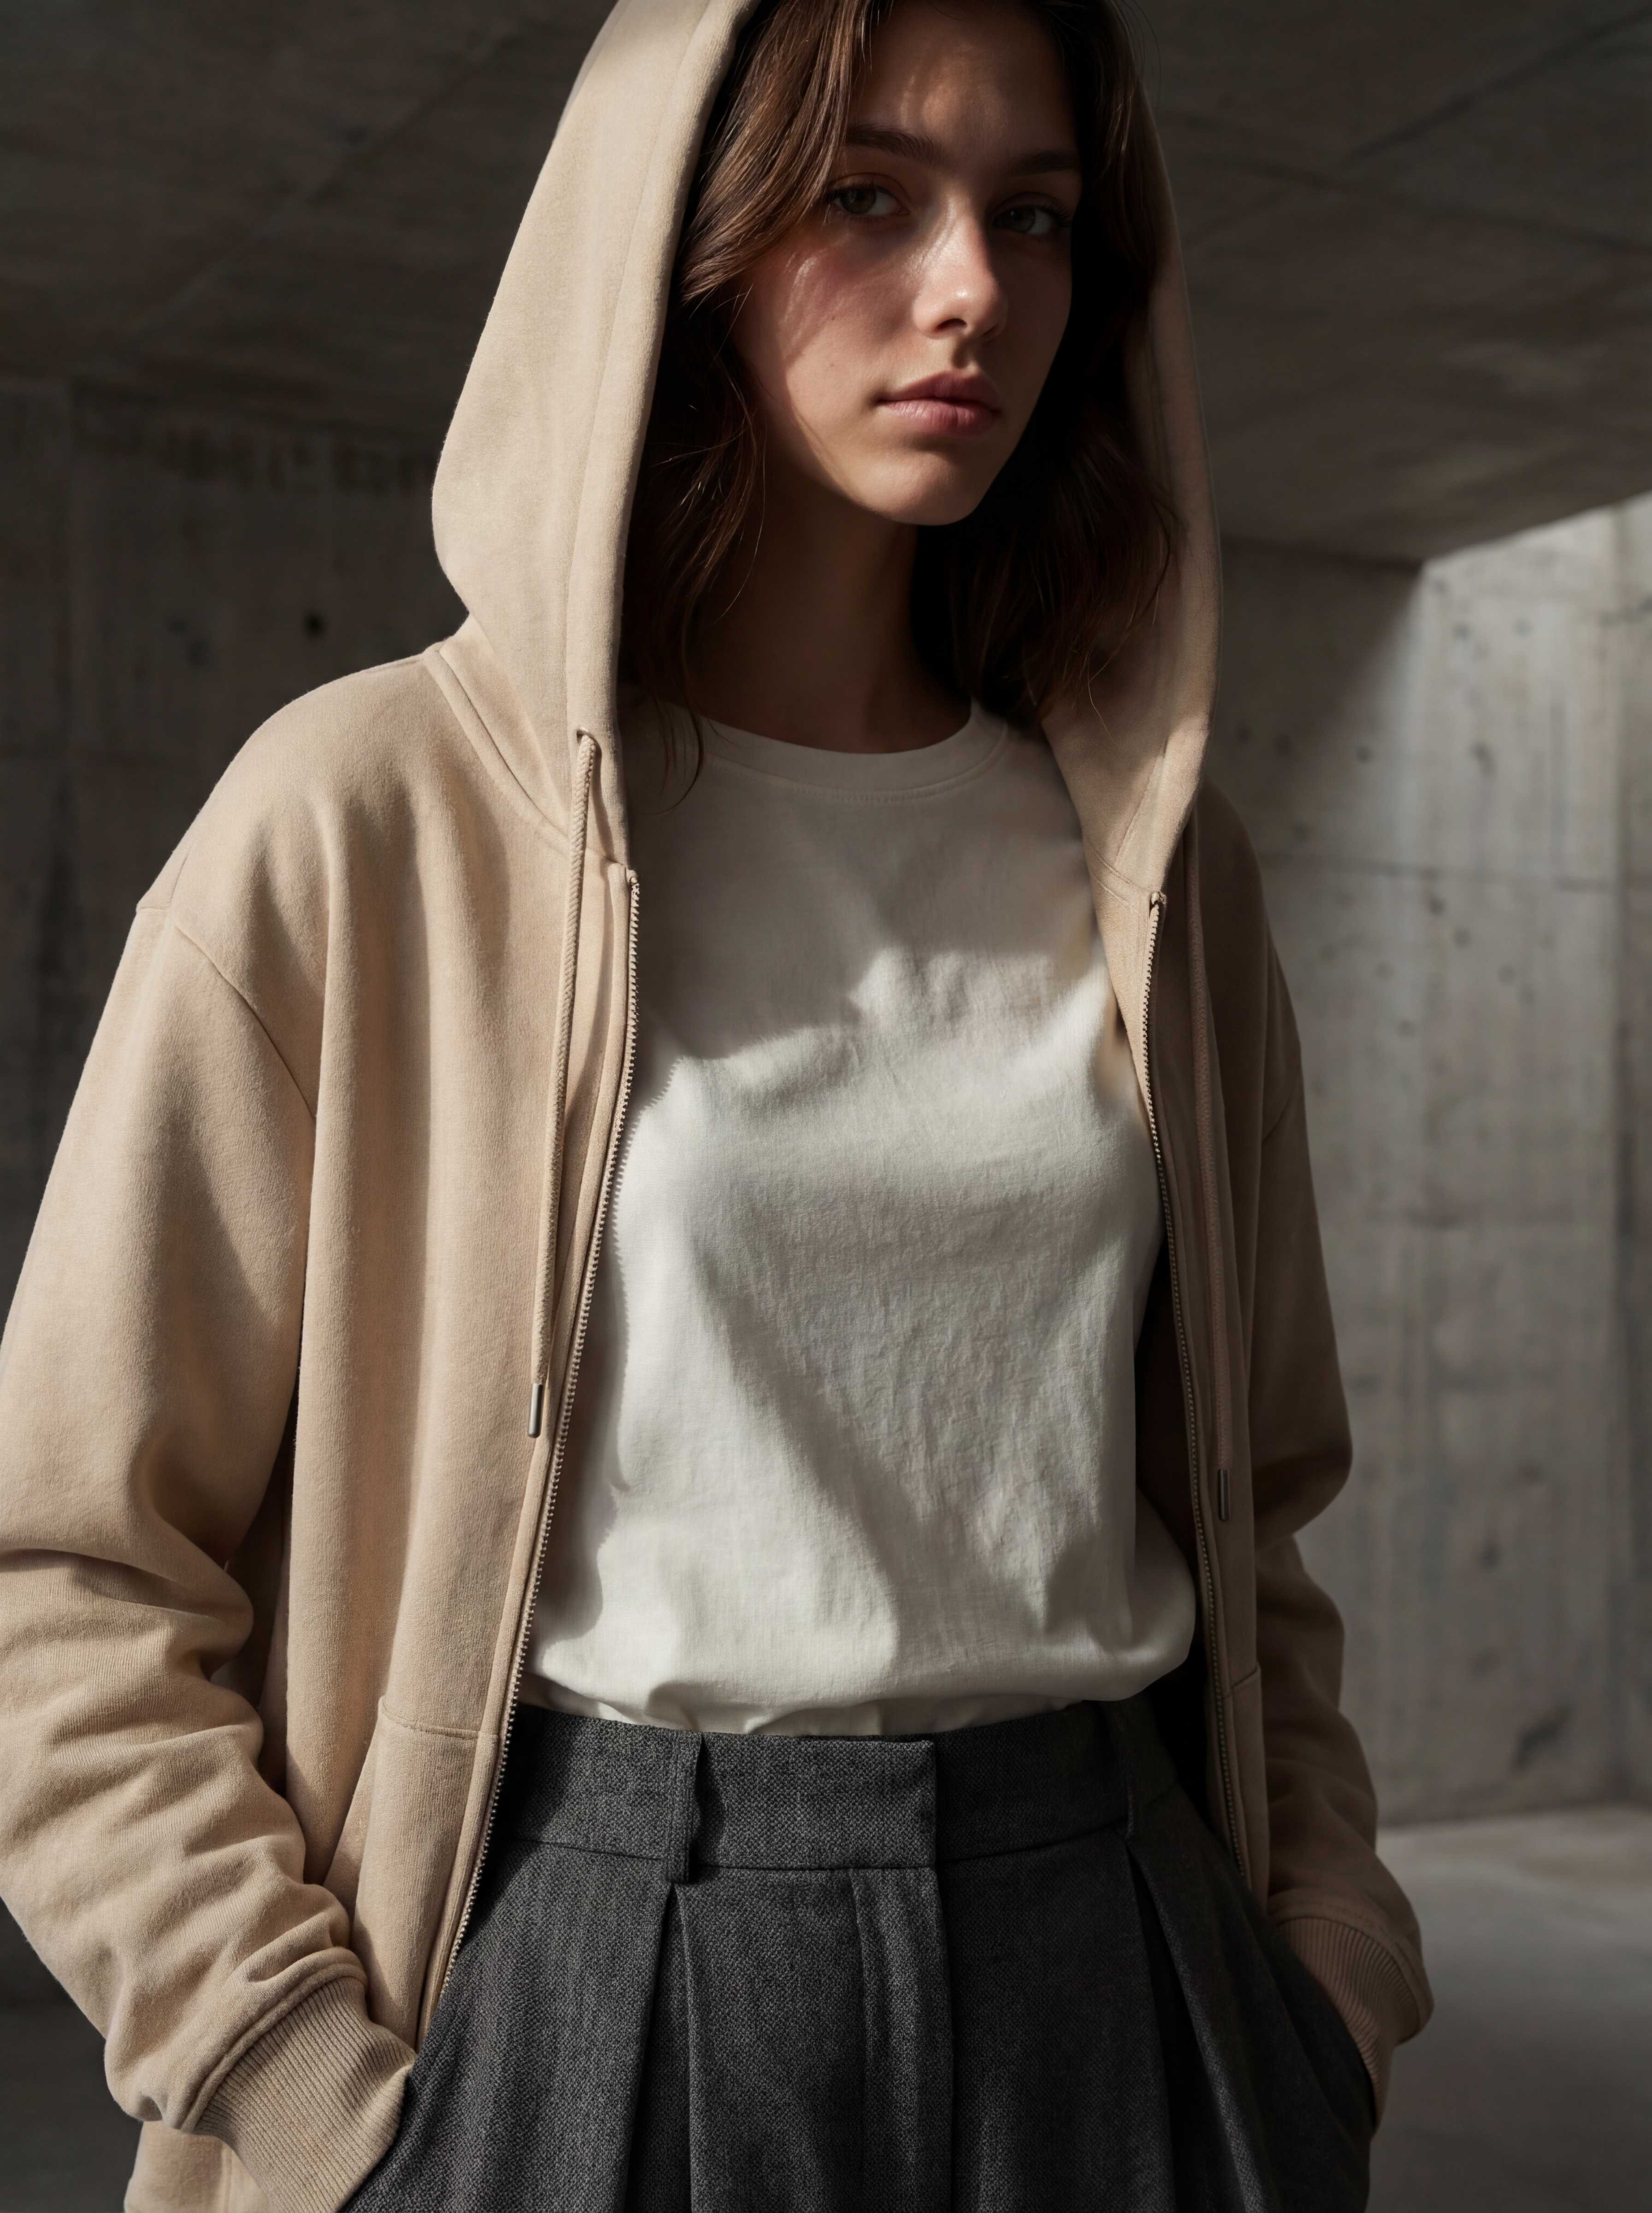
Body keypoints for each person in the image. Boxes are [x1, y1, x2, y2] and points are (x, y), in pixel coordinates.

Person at [0, 0, 1434, 2206]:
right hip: (596, 1966)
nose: (968, 289)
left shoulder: (1157, 864)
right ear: (675, 234)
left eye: (1032, 216)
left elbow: (1250, 1508)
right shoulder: (372, 818)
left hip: (1117, 1948)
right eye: (867, 195)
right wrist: (302, 2080)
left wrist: (1320, 1979)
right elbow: (66, 1558)